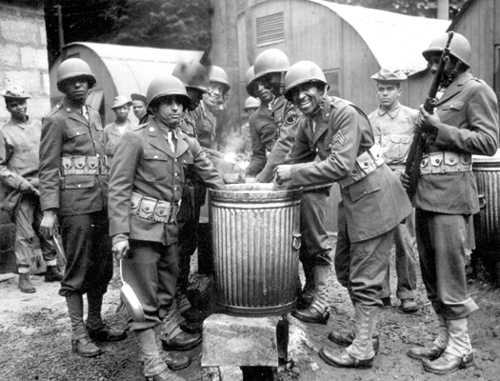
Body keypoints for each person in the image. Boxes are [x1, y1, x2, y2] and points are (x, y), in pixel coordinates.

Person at [274, 60, 412, 368]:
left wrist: (293, 173)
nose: (301, 96)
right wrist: (262, 189)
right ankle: (365, 333)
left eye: (307, 88)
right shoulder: (307, 123)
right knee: (345, 267)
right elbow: (289, 158)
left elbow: (340, 165)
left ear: (323, 89)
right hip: (353, 198)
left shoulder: (344, 114)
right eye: (295, 92)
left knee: (365, 276)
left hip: (376, 197)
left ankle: (362, 348)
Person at [108, 74, 225, 381]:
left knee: (165, 293)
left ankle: (158, 350)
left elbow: (211, 173)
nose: (175, 109)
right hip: (140, 232)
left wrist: (238, 189)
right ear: (154, 107)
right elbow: (118, 187)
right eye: (168, 103)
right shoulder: (135, 139)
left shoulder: (184, 141)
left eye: (179, 103)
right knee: (143, 298)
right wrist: (119, 234)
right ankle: (153, 364)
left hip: (168, 231)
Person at [402, 32, 499, 375]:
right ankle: (445, 338)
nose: (431, 67)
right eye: (430, 60)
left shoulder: (476, 90)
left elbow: (488, 141)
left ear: (456, 61)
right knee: (430, 273)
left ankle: (461, 347)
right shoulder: (441, 95)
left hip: (452, 198)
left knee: (450, 275)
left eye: (437, 60)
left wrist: (440, 128)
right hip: (426, 194)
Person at [38, 58, 126, 358]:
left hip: (100, 203)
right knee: (76, 270)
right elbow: (48, 169)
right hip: (74, 208)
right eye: (71, 81)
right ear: (63, 87)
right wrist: (49, 210)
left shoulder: (94, 116)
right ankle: (78, 335)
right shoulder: (55, 120)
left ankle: (95, 323)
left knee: (102, 268)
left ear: (90, 85)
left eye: (83, 81)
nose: (79, 85)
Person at [250, 49, 332, 324]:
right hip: (293, 182)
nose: (266, 87)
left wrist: (260, 181)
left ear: (282, 75)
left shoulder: (294, 103)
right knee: (298, 240)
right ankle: (308, 291)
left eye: (269, 80)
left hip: (309, 183)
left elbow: (285, 144)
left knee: (315, 241)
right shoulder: (284, 104)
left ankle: (321, 300)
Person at [0, 85, 63, 293]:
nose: (19, 107)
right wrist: (20, 183)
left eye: (22, 102)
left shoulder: (39, 126)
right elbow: (1, 167)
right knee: (25, 233)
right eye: (14, 104)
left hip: (43, 186)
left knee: (47, 226)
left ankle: (52, 268)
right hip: (21, 192)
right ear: (8, 107)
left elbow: (49, 154)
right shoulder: (5, 132)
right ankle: (24, 275)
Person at [368, 68, 419, 314]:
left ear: (399, 90)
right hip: (377, 184)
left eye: (390, 88)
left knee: (404, 240)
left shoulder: (412, 118)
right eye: (381, 88)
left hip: (402, 184)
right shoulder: (369, 121)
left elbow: (422, 151)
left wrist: (414, 177)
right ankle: (381, 293)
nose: (385, 93)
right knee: (379, 241)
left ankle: (407, 293)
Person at [244, 65, 276, 177]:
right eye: (255, 87)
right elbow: (259, 156)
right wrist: (245, 173)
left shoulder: (290, 104)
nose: (260, 89)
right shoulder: (254, 118)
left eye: (262, 83)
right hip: (274, 172)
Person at [191, 65, 230, 151]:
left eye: (220, 89)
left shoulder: (211, 113)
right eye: (212, 86)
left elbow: (212, 145)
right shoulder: (194, 109)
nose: (217, 92)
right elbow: (193, 148)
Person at [104, 95, 135, 166]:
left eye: (125, 108)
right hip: (112, 171)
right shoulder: (107, 130)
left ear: (129, 110)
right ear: (114, 110)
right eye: (119, 108)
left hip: (131, 170)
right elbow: (103, 153)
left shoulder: (136, 129)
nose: (122, 111)